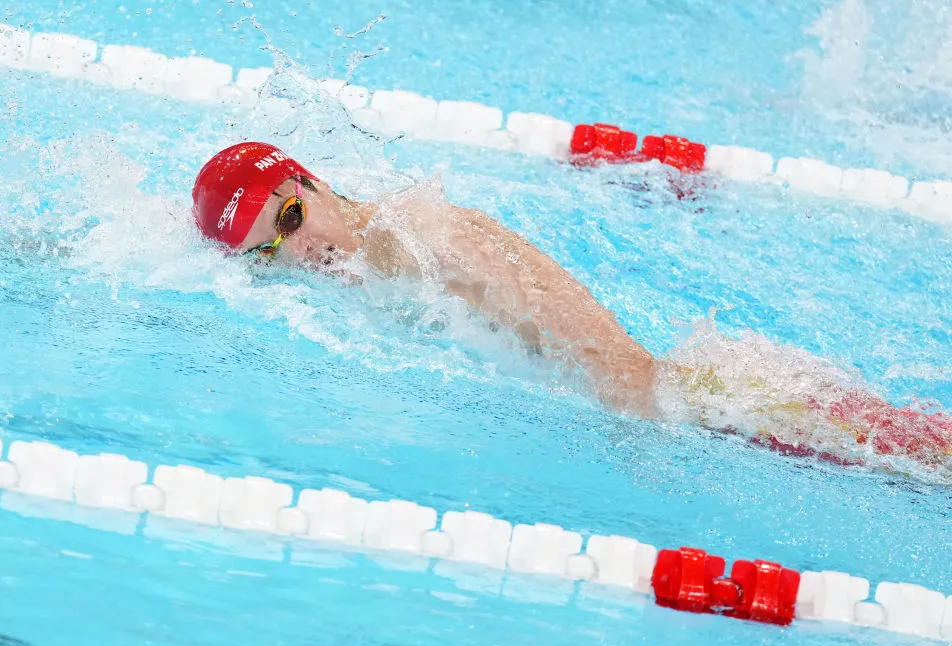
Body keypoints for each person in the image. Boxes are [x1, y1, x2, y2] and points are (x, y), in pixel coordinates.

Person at [192, 142, 952, 470]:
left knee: (922, 457)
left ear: (315, 184)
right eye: (268, 252)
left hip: (706, 402)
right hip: (696, 396)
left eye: (290, 221)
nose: (299, 255)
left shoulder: (424, 237)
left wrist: (644, 424)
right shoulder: (377, 260)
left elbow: (607, 355)